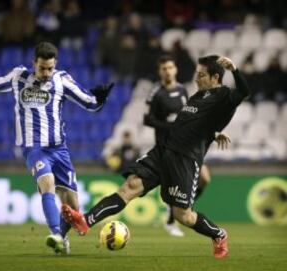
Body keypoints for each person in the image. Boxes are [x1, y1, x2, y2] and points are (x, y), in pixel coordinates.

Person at [62, 55, 250, 259]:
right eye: (196, 74)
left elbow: (244, 92)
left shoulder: (224, 96)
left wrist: (234, 69)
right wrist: (212, 133)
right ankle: (85, 221)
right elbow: (192, 124)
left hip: (185, 159)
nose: (196, 78)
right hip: (163, 151)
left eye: (202, 75)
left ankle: (219, 234)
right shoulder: (198, 95)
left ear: (215, 77)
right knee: (129, 187)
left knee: (183, 216)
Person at [0, 42, 114, 254]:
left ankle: (62, 238)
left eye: (50, 68)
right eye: (42, 68)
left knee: (73, 206)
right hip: (34, 148)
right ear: (34, 64)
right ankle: (56, 234)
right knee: (47, 183)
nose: (46, 73)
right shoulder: (19, 77)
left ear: (55, 64)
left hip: (59, 149)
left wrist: (101, 99)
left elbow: (90, 104)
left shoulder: (62, 80)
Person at [143, 55, 214, 237]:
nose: (167, 71)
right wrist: (169, 125)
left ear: (175, 69)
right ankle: (174, 217)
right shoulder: (155, 93)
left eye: (170, 67)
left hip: (187, 144)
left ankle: (179, 210)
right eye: (164, 68)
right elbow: (147, 119)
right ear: (160, 71)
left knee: (205, 178)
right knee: (173, 185)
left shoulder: (183, 90)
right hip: (168, 147)